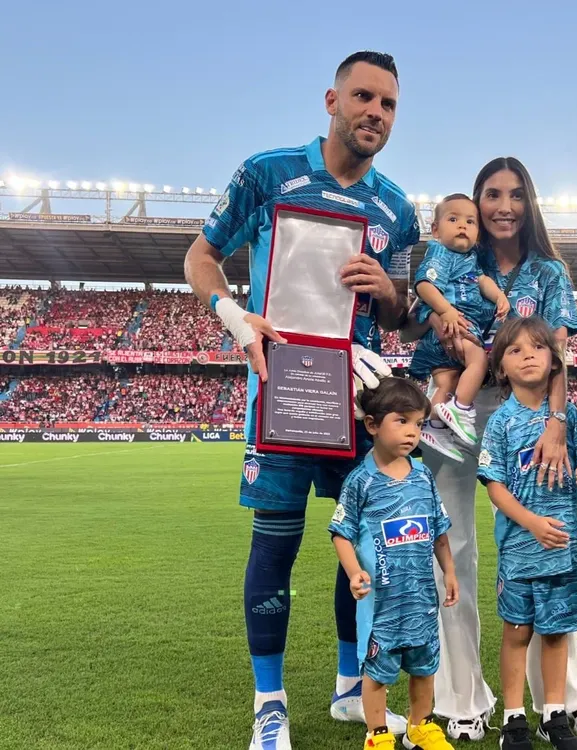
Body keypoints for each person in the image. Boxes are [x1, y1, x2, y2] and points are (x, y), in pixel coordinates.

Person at [183, 50, 417, 750]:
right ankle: (270, 704)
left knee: (364, 549)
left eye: (390, 104)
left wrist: (387, 288)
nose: (376, 112)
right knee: (275, 549)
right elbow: (200, 258)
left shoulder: (397, 207)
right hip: (283, 394)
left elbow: (404, 312)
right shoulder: (269, 173)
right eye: (364, 97)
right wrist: (232, 313)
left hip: (361, 406)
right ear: (332, 99)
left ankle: (352, 689)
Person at [378, 156, 577, 742]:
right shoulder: (454, 255)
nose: (503, 206)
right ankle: (465, 695)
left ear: (528, 203)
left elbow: (558, 350)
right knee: (452, 545)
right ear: (475, 205)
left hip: (534, 417)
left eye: (514, 195)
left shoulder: (548, 272)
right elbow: (406, 325)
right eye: (491, 195)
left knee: (546, 539)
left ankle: (565, 695)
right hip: (453, 407)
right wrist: (432, 319)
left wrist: (558, 423)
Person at [477, 317, 577, 750]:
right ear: (501, 368)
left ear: (554, 362)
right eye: (515, 350)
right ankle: (513, 720)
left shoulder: (567, 420)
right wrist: (530, 522)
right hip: (520, 549)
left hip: (564, 547)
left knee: (555, 633)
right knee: (516, 633)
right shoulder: (500, 423)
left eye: (537, 347)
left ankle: (554, 715)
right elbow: (494, 486)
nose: (527, 355)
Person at [330, 378, 460, 750]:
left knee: (425, 665)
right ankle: (378, 733)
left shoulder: (423, 477)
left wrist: (449, 570)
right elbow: (341, 532)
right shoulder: (361, 481)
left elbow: (439, 530)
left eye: (418, 423)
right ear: (372, 424)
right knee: (378, 671)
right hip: (381, 602)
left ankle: (420, 726)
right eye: (401, 421)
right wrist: (354, 571)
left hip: (420, 597)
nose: (412, 432)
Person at [409, 193, 510, 458]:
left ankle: (433, 426)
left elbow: (482, 280)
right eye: (453, 219)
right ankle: (461, 408)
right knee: (478, 361)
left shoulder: (470, 260)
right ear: (435, 230)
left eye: (470, 221)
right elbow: (424, 285)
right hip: (454, 328)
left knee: (446, 383)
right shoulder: (440, 253)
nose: (462, 226)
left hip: (444, 340)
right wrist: (446, 311)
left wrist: (499, 296)